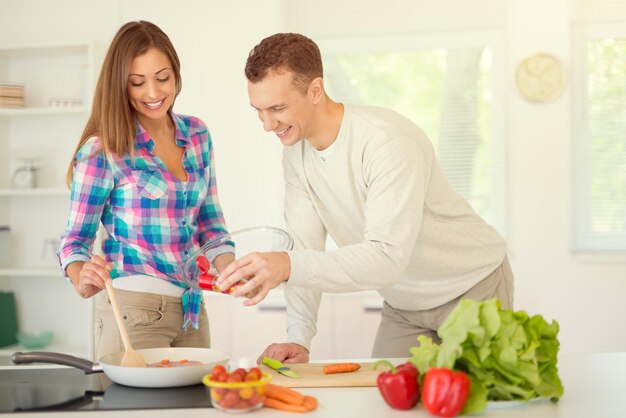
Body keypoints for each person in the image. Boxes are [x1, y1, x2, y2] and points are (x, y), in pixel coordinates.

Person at [217, 33, 514, 363]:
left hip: (470, 287)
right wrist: (299, 337)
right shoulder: (296, 153)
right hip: (404, 305)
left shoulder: (386, 142)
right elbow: (303, 249)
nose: (267, 124)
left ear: (315, 90)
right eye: (259, 110)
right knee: (385, 400)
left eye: (278, 108)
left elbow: (385, 258)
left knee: (481, 408)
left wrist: (285, 265)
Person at [57, 21, 232, 360]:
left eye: (162, 78)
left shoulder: (197, 135)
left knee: (195, 411)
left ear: (176, 75)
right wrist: (81, 277)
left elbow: (211, 225)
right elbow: (74, 242)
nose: (152, 93)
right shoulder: (103, 149)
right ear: (120, 85)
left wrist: (232, 269)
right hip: (132, 310)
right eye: (137, 82)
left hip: (192, 310)